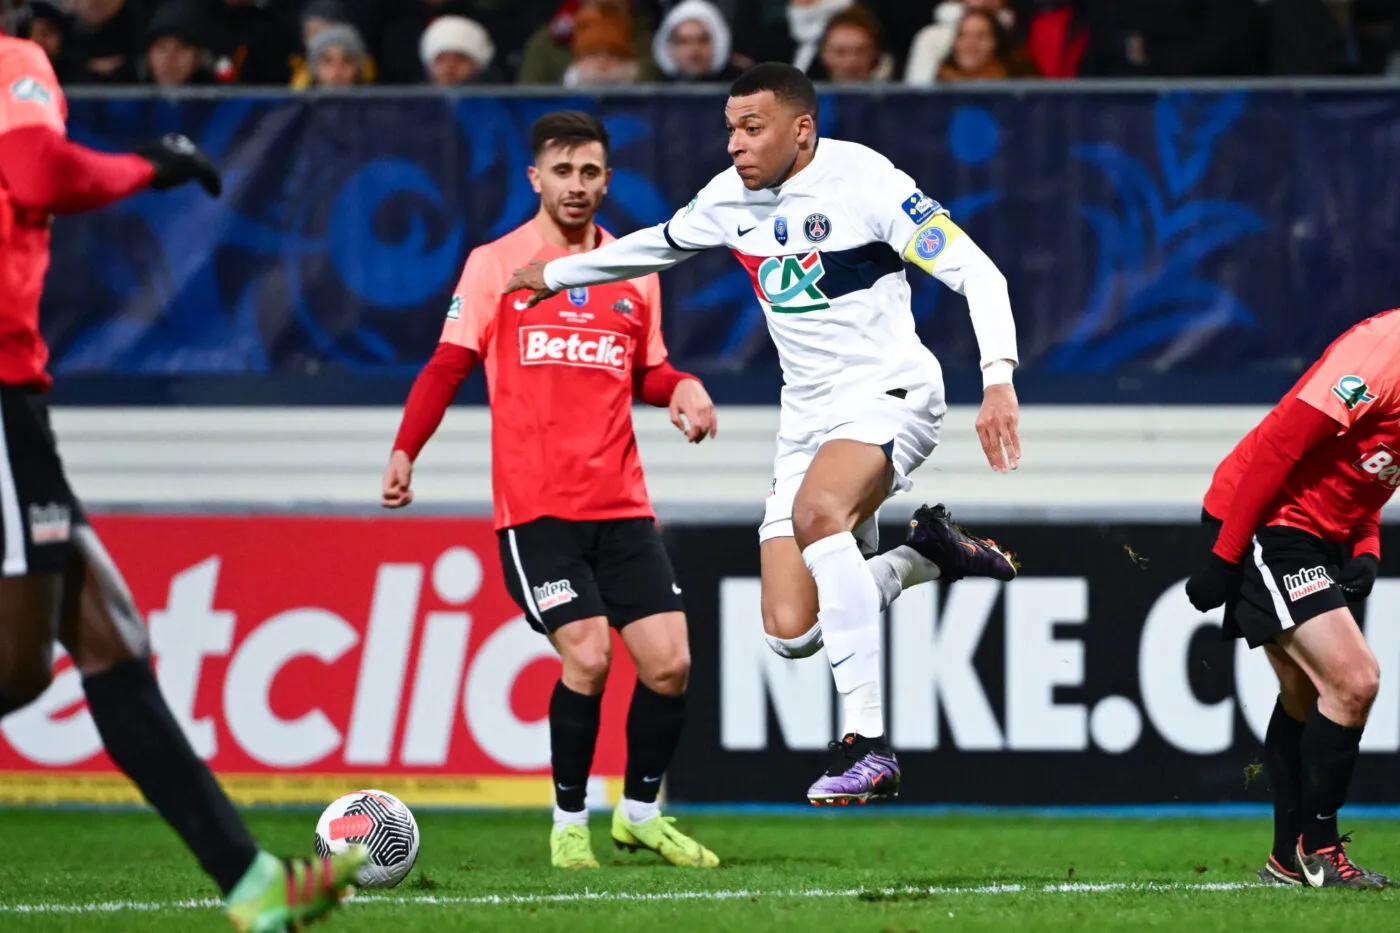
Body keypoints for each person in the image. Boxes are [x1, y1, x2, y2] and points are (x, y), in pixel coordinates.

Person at [505, 64, 1020, 805]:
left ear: (801, 129)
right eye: (730, 129)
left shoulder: (867, 182)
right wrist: (558, 275)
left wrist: (996, 376)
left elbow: (981, 273)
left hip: (891, 393)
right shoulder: (727, 198)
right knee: (790, 629)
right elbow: (658, 243)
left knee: (819, 516)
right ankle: (925, 554)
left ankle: (866, 741)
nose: (736, 144)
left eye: (752, 128)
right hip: (806, 420)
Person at [0, 29, 366, 930]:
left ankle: (252, 888)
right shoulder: (11, 59)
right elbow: (41, 174)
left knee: (112, 636)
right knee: (13, 673)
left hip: (15, 400)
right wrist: (147, 166)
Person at [383, 110, 721, 870]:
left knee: (670, 663)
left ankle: (639, 817)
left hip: (623, 506)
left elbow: (647, 370)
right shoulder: (495, 263)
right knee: (591, 654)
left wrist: (683, 386)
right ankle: (570, 822)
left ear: (608, 179)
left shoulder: (634, 266)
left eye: (590, 172)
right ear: (536, 179)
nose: (577, 186)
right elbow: (447, 365)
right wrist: (407, 449)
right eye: (562, 172)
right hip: (537, 511)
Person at [1186, 310, 1400, 890]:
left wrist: (1367, 544)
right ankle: (1319, 848)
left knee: (1308, 696)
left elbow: (1370, 465)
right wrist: (1224, 558)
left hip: (1312, 533)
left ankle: (1288, 860)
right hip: (1265, 520)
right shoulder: (1381, 350)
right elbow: (1279, 448)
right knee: (1355, 681)